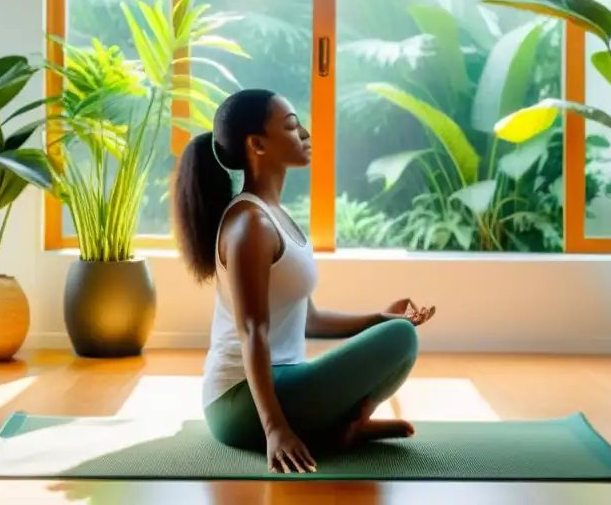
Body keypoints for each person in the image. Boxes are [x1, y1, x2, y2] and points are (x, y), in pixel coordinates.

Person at [173, 88, 436, 474]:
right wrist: (274, 429)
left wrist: (380, 318)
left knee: (397, 333)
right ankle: (322, 429)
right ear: (257, 144)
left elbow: (309, 320)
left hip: (285, 383)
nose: (306, 134)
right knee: (401, 340)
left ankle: (340, 429)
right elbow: (251, 331)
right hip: (240, 402)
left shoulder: (275, 215)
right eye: (293, 126)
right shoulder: (251, 225)